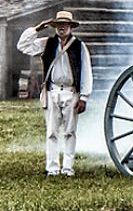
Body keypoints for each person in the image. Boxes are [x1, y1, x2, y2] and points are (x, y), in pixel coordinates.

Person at [17, 10, 93, 177]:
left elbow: (86, 71)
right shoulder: (47, 43)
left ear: (71, 27)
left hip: (71, 92)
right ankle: (52, 168)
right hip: (52, 92)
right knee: (52, 132)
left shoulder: (79, 46)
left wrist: (84, 97)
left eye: (65, 24)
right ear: (54, 27)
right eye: (59, 24)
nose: (62, 27)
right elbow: (23, 46)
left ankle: (67, 168)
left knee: (70, 132)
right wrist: (36, 29)